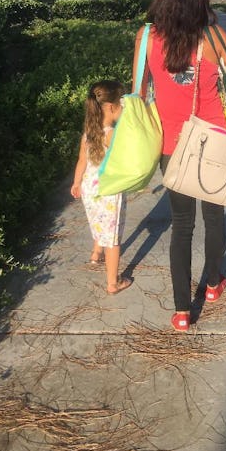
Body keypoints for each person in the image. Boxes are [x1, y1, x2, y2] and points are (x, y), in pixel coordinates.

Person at [132, 0, 226, 332]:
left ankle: (182, 311)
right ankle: (213, 284)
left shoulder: (146, 36)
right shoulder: (213, 38)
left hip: (171, 146)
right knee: (215, 218)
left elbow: (137, 91)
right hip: (214, 141)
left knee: (181, 226)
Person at [70, 80, 132, 295]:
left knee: (99, 223)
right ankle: (113, 283)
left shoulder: (89, 132)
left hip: (89, 187)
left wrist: (76, 183)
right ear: (111, 107)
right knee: (113, 239)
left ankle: (96, 253)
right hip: (109, 191)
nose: (123, 107)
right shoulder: (112, 134)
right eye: (121, 103)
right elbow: (124, 160)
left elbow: (81, 161)